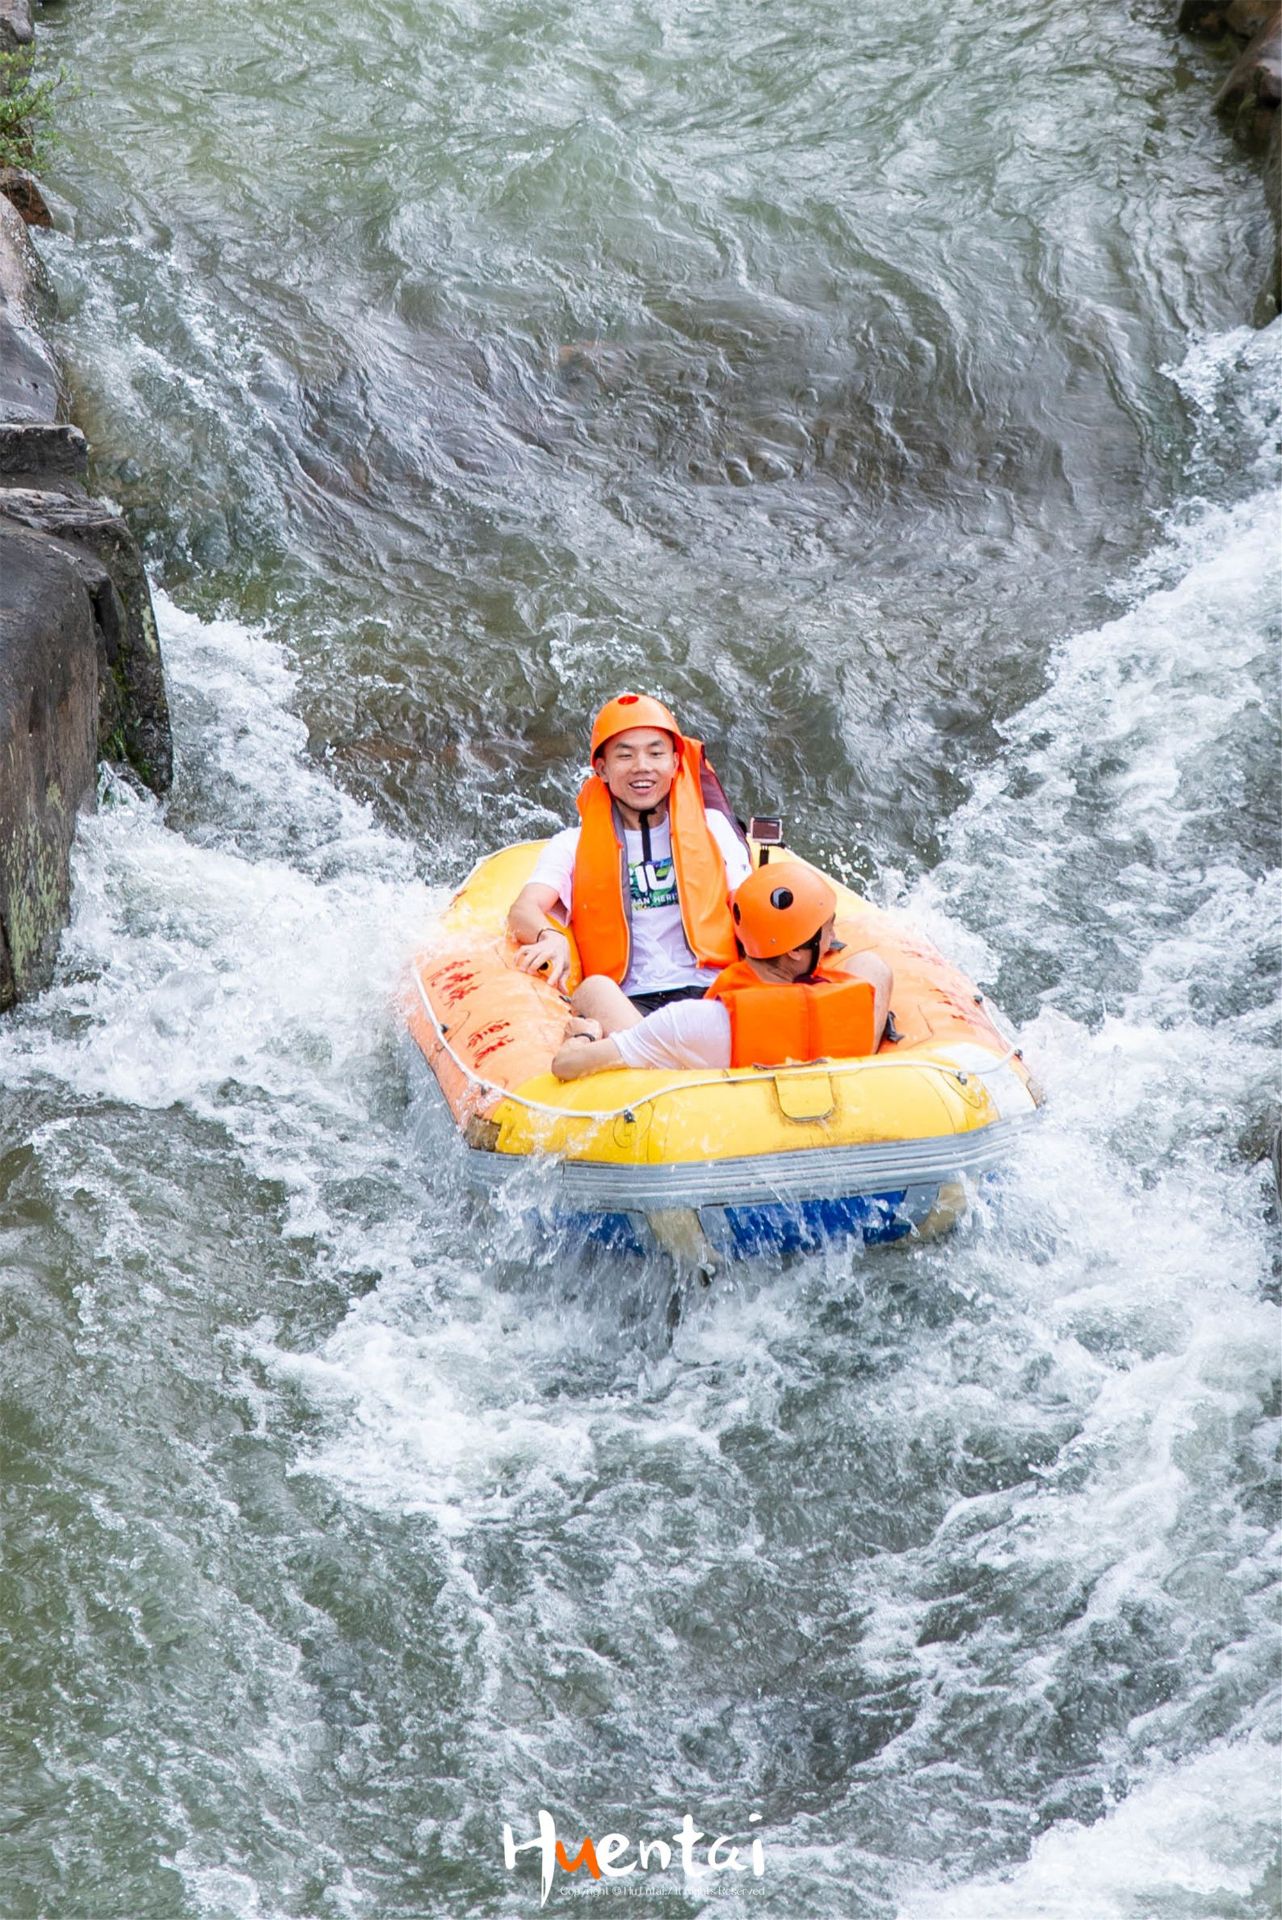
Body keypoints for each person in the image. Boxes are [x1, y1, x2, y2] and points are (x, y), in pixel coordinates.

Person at [507, 692, 751, 1017]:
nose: (642, 767)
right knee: (594, 991)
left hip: (713, 992)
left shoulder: (714, 827)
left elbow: (747, 904)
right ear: (603, 769)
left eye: (655, 753)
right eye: (626, 756)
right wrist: (550, 936)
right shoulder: (571, 845)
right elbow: (523, 908)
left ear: (675, 763)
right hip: (628, 1003)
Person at [551, 862, 894, 1079]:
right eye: (828, 930)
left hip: (707, 1092)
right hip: (840, 1081)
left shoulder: (693, 1022)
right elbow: (873, 970)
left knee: (596, 988)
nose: (833, 938)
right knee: (871, 963)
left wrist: (583, 1033)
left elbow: (565, 1066)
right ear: (794, 950)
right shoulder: (860, 1002)